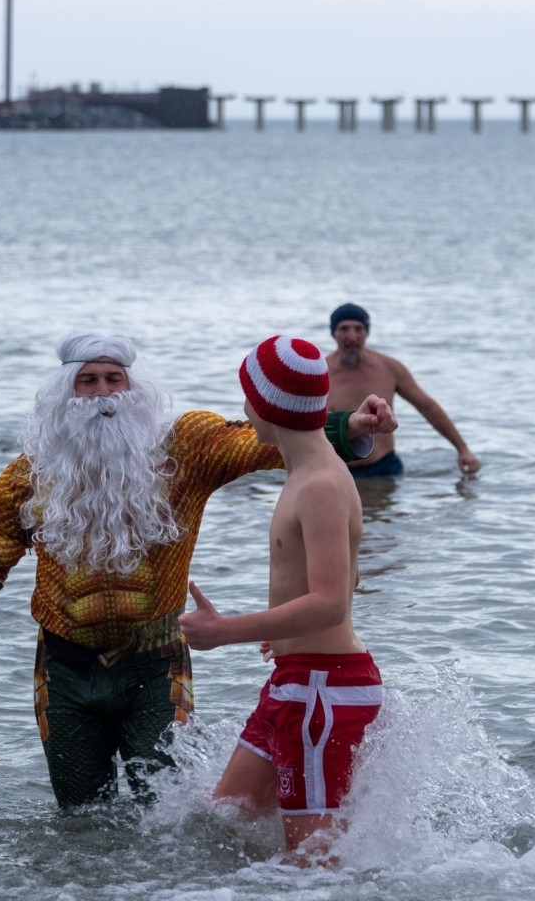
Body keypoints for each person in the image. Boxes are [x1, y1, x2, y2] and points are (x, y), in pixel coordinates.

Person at [0, 331, 395, 809]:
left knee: (164, 815)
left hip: (156, 662)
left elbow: (266, 439)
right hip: (64, 670)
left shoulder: (185, 447)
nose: (102, 394)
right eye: (87, 381)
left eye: (114, 379)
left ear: (134, 388)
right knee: (79, 818)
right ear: (63, 392)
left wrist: (350, 425)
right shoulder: (28, 475)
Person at [179, 335, 382, 864]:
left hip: (323, 690)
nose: (243, 410)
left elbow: (333, 603)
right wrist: (284, 629)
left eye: (247, 397)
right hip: (298, 679)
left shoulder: (318, 485)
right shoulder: (308, 471)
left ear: (266, 406)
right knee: (225, 816)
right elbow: (347, 576)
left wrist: (226, 632)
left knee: (313, 862)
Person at [325, 302, 480, 477]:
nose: (352, 336)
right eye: (344, 329)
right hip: (334, 469)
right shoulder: (320, 372)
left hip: (383, 467)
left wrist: (463, 449)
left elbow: (427, 406)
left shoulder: (389, 368)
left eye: (358, 329)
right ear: (333, 333)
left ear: (367, 332)